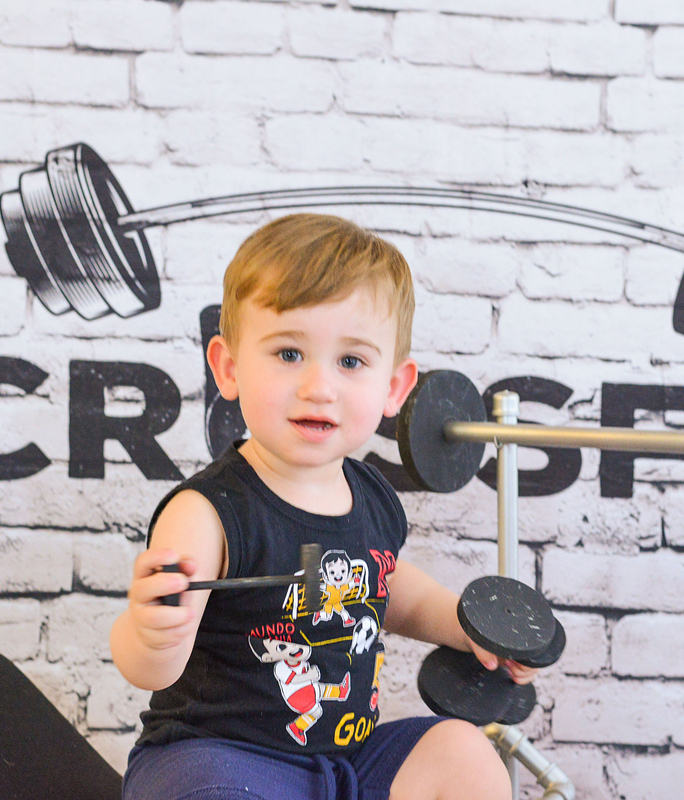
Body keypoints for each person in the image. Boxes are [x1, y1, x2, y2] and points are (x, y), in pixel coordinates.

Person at [111, 213, 536, 800]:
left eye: (351, 362)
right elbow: (145, 665)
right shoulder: (206, 514)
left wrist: (466, 629)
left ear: (394, 387)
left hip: (347, 762)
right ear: (229, 368)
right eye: (288, 354)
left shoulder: (373, 499)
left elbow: (386, 588)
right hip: (220, 760)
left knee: (464, 754)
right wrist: (153, 635)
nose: (319, 386)